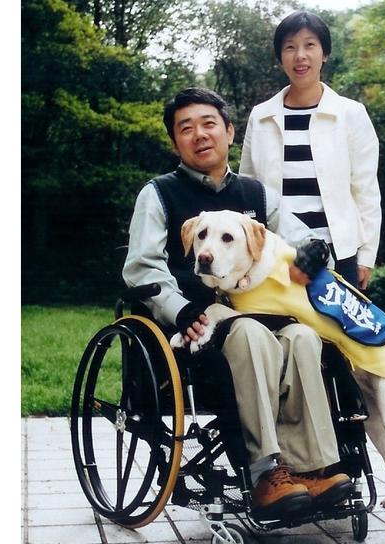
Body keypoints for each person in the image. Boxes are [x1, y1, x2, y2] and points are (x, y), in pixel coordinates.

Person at [122, 87, 352, 519]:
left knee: (303, 336)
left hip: (266, 312)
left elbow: (306, 240)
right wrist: (180, 308)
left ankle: (314, 467)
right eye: (185, 128)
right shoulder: (159, 195)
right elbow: (142, 269)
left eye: (209, 124)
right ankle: (267, 472)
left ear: (229, 132)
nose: (199, 135)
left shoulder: (259, 196)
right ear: (175, 142)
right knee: (249, 333)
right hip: (196, 324)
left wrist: (314, 252)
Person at [240, 10, 382, 290]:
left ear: (324, 54)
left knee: (339, 333)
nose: (300, 55)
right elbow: (247, 190)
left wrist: (366, 256)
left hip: (339, 254)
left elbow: (365, 190)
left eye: (310, 45)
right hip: (277, 256)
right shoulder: (261, 117)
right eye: (290, 47)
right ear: (280, 57)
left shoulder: (350, 114)